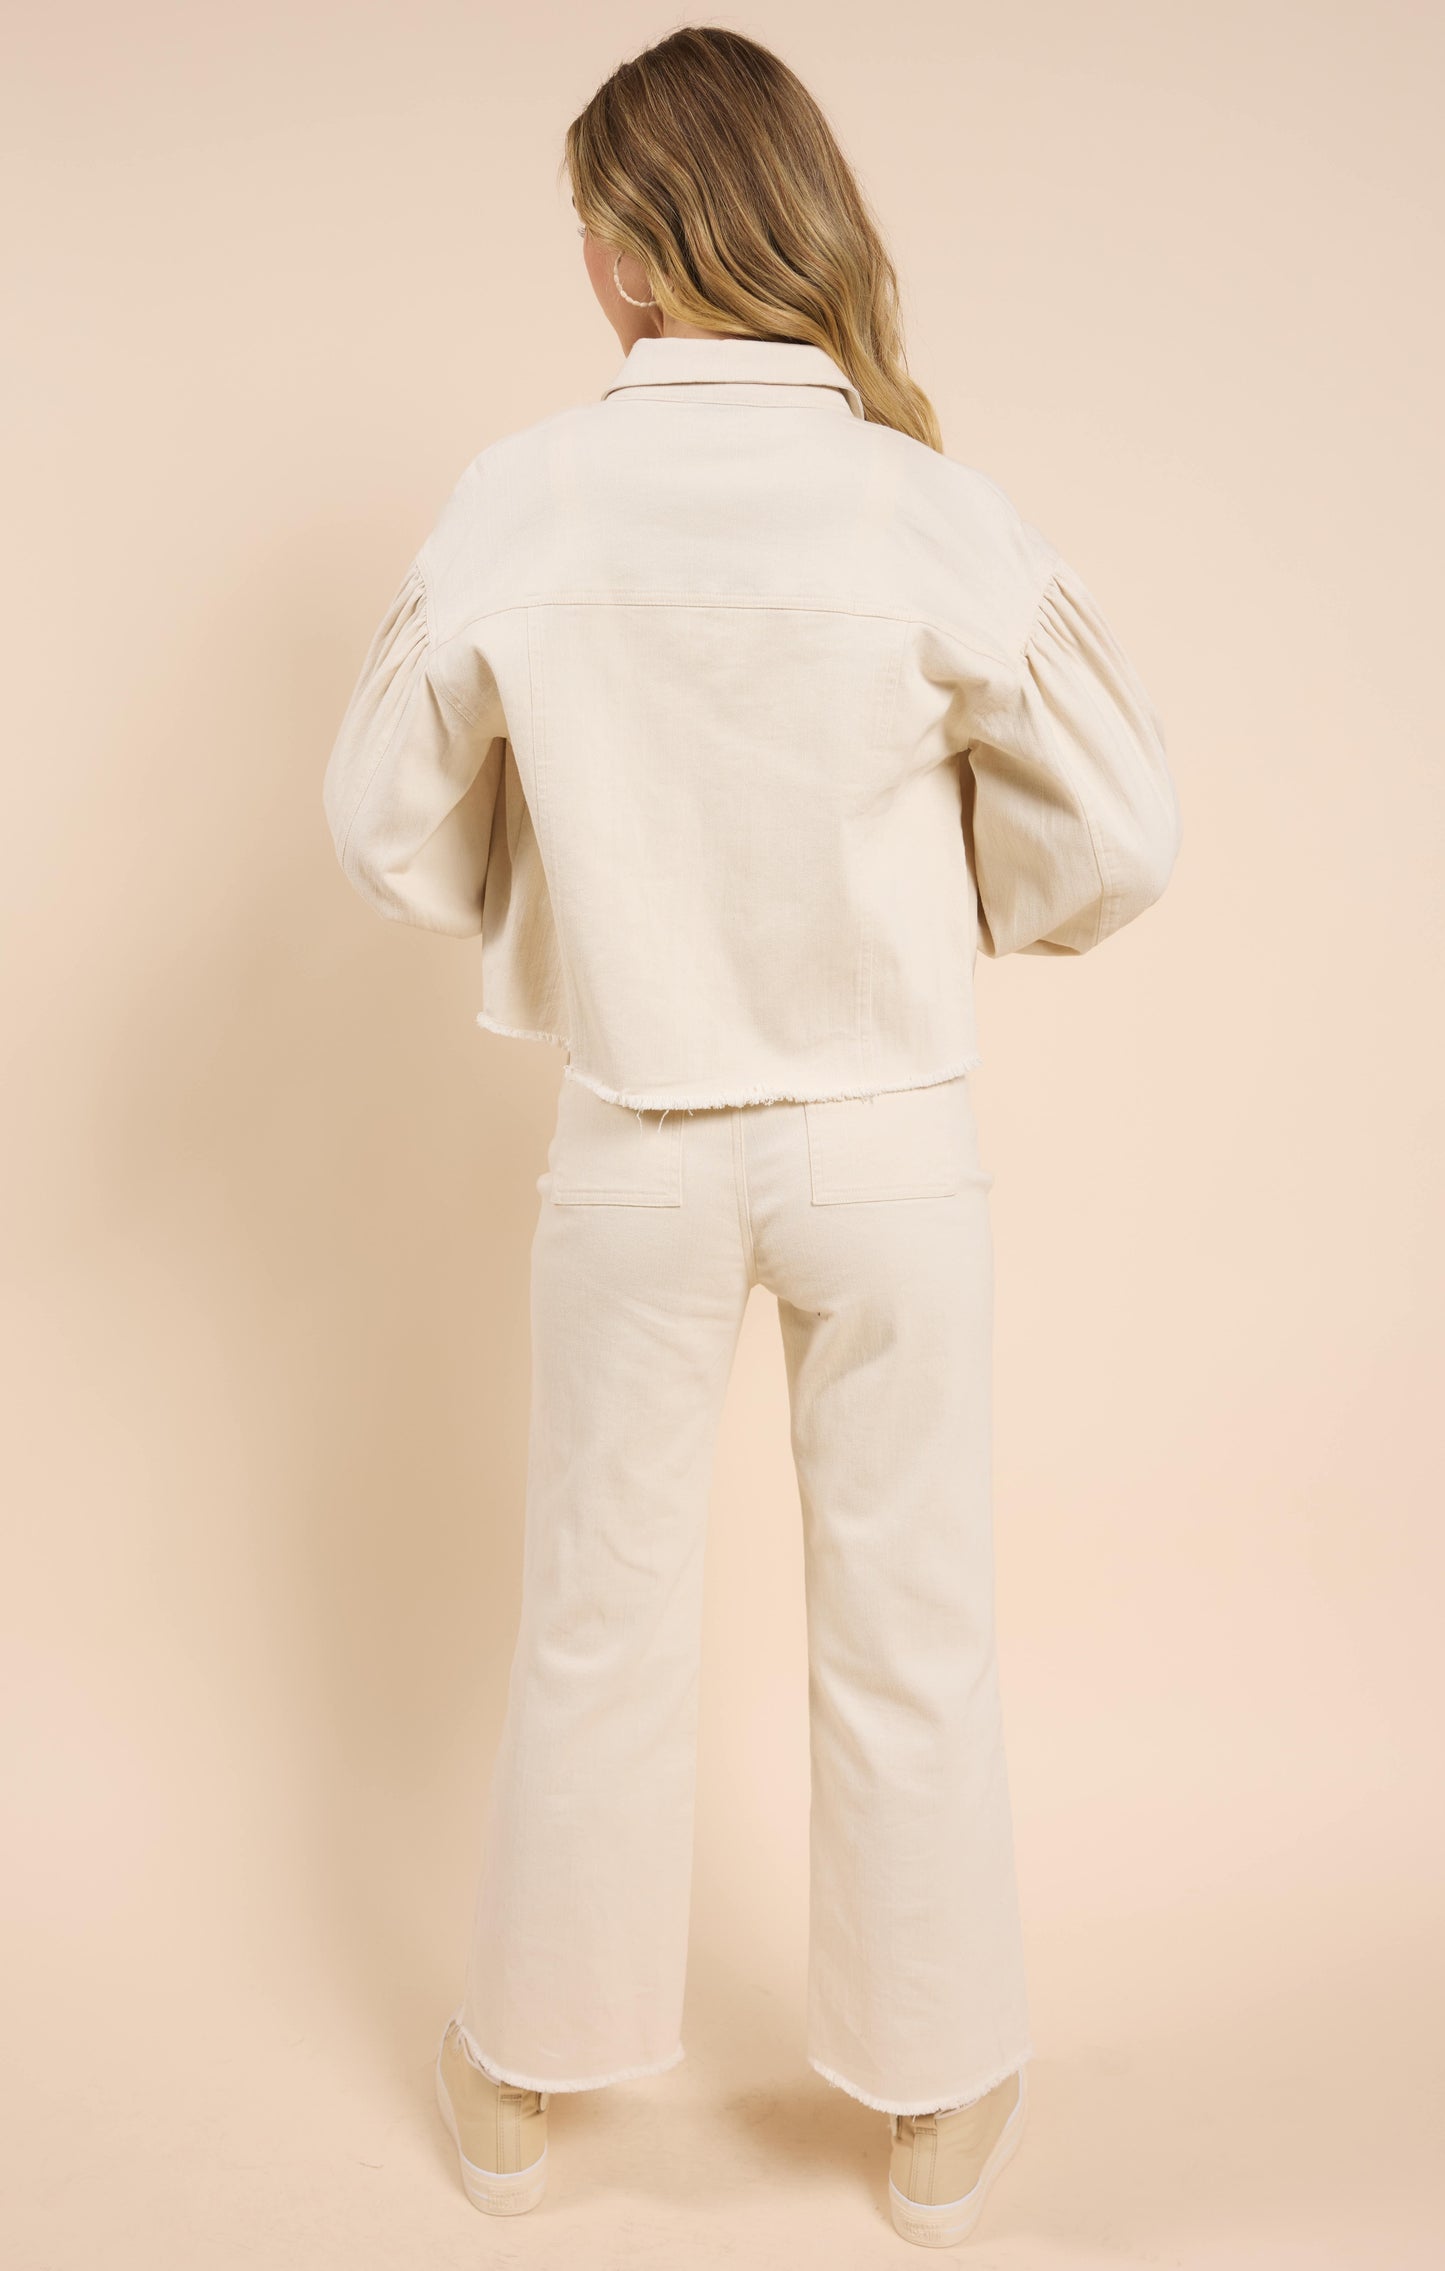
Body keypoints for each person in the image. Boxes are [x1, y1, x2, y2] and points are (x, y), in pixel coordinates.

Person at [322, 24, 1180, 2249]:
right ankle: (940, 2092)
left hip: (634, 1136)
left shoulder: (525, 495)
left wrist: (566, 878)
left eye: (584, 228)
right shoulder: (921, 502)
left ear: (629, 247)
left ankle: (517, 2081)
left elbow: (379, 826)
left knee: (592, 1616)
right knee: (913, 1620)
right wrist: (952, 898)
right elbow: (1121, 836)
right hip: (886, 1143)